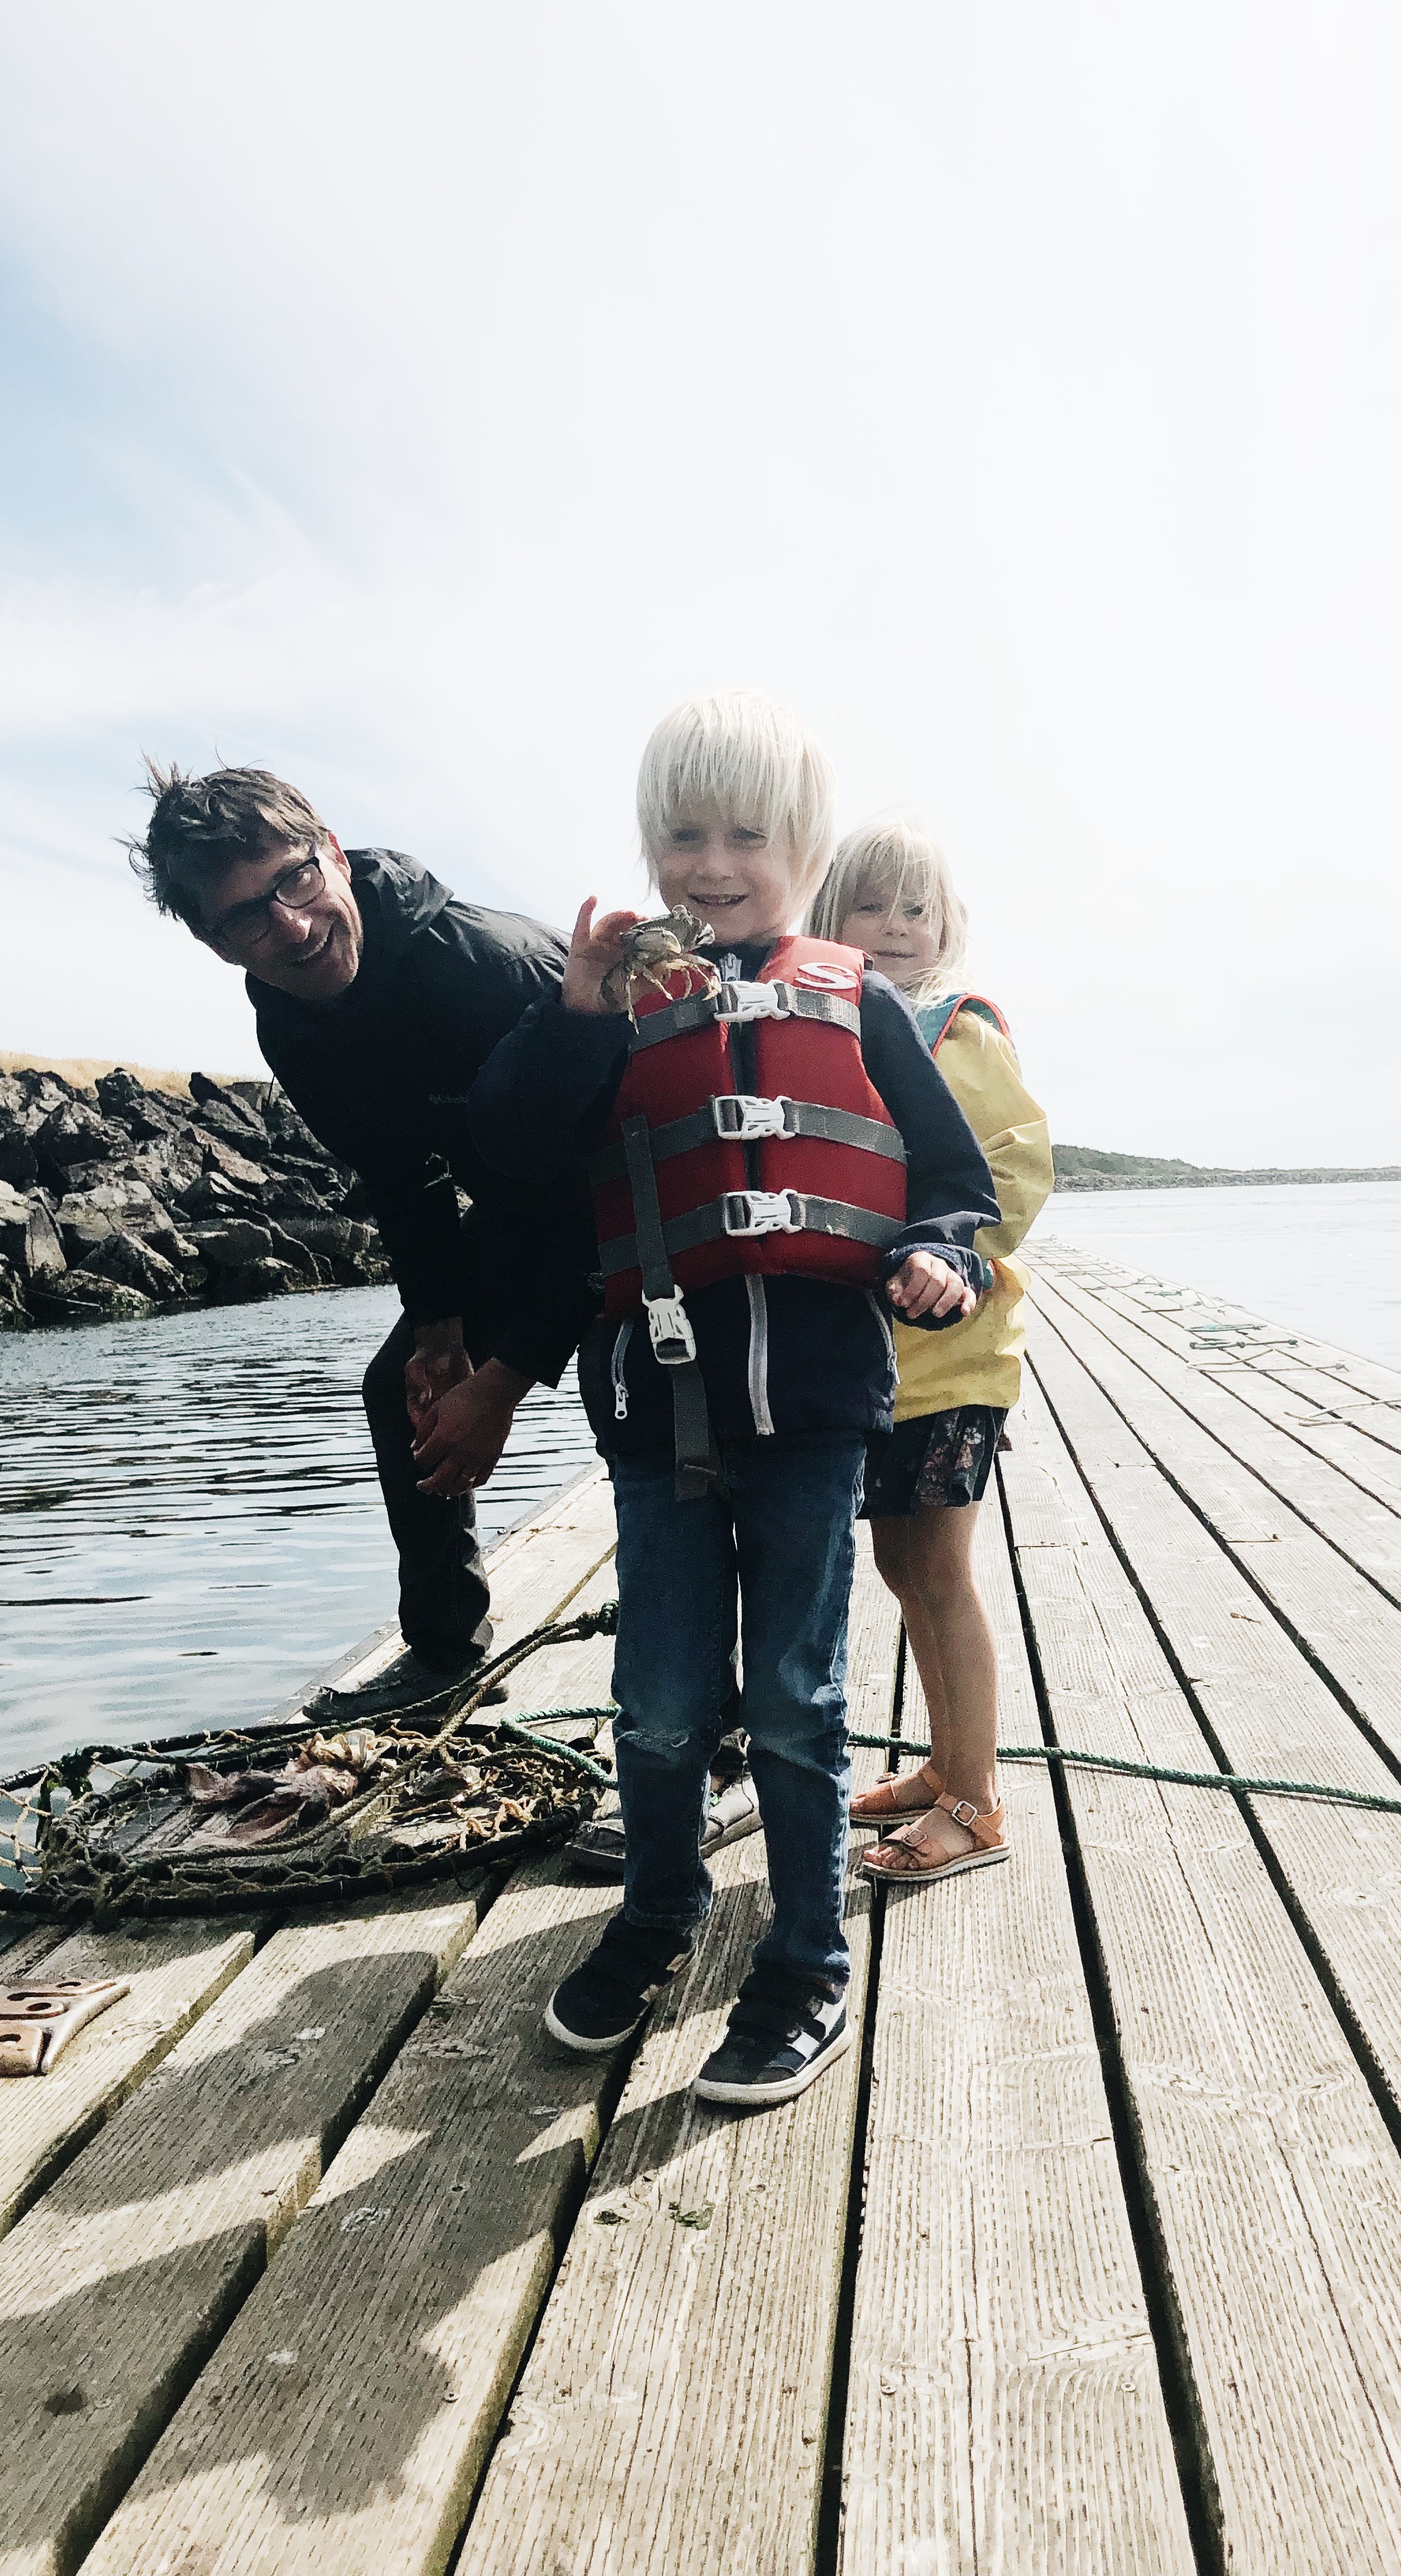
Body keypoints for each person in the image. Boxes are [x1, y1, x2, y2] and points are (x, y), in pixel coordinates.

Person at [470, 691, 998, 2108]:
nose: (710, 863)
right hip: (655, 1417)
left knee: (796, 1705)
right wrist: (578, 1017)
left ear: (800, 848)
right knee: (654, 1707)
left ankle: (807, 1956)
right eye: (681, 835)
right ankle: (660, 1911)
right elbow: (517, 1153)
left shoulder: (863, 1002)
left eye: (743, 835)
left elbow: (953, 1186)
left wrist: (938, 1256)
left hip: (816, 1416)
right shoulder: (613, 1004)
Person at [129, 764, 601, 1720]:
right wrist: (441, 1337)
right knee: (401, 1386)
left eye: (294, 881)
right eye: (245, 919)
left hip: (656, 1187)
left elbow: (594, 1203)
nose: (292, 928)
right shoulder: (290, 1019)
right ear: (211, 943)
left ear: (334, 852)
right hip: (524, 1200)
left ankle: (722, 1723)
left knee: (655, 1413)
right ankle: (443, 1659)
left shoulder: (479, 966)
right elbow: (401, 1172)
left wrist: (502, 1387)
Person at [809, 818, 1052, 1883]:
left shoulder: (960, 1031)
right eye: (873, 906)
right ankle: (946, 1767)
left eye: (918, 909)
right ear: (829, 919)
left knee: (940, 1571)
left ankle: (979, 1802)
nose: (898, 927)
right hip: (880, 1366)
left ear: (947, 925)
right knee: (902, 1563)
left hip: (954, 1360)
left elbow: (1016, 1169)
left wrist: (960, 1262)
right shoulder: (830, 1020)